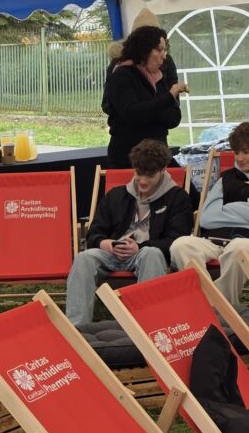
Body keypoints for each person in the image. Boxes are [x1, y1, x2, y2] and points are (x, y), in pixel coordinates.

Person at [65, 139, 193, 326]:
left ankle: (148, 326)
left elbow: (177, 240)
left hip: (147, 253)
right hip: (113, 253)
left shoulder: (177, 198)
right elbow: (94, 232)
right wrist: (104, 243)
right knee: (84, 258)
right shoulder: (116, 195)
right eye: (139, 173)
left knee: (151, 253)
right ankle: (77, 328)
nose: (143, 181)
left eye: (150, 175)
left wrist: (139, 247)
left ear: (163, 170)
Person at [169, 121, 249, 307]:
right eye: (236, 152)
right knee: (181, 245)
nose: (239, 158)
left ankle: (219, 306)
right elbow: (207, 218)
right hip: (215, 241)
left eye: (245, 152)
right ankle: (210, 301)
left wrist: (228, 208)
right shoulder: (227, 178)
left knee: (238, 247)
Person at [102, 24, 184, 167]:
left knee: (182, 180)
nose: (164, 56)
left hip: (158, 156)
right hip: (128, 159)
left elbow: (174, 118)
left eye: (165, 50)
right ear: (143, 49)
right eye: (159, 49)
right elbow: (132, 113)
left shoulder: (159, 76)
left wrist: (152, 110)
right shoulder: (122, 75)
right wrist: (168, 98)